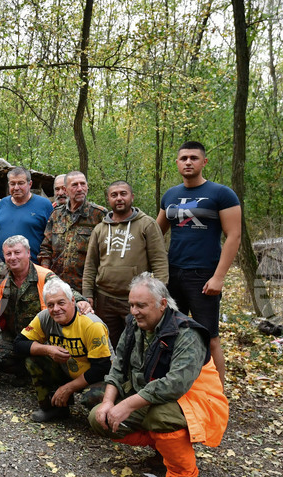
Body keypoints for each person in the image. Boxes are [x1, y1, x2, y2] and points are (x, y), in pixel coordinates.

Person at [88, 273, 228, 477]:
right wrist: (109, 402)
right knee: (98, 418)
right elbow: (119, 364)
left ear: (162, 304)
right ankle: (166, 451)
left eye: (141, 305)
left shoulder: (187, 333)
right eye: (132, 305)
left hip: (197, 401)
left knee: (160, 417)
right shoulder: (135, 325)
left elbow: (176, 384)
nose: (135, 311)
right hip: (155, 397)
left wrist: (127, 404)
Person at [156, 141, 241, 383]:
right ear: (177, 163)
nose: (188, 162)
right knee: (171, 332)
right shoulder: (170, 195)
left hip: (204, 275)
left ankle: (218, 396)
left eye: (194, 158)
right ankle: (176, 386)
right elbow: (154, 233)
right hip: (173, 274)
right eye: (183, 158)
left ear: (203, 162)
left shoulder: (221, 194)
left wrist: (219, 277)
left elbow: (234, 236)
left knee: (208, 336)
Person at [83, 180, 169, 347]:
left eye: (123, 194)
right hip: (104, 297)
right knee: (108, 345)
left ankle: (136, 374)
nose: (119, 198)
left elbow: (159, 262)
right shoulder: (100, 229)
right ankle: (112, 374)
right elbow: (91, 264)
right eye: (114, 195)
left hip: (136, 299)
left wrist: (159, 294)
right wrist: (88, 293)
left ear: (132, 197)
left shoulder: (147, 224)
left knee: (137, 345)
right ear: (108, 199)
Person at [0, 235, 90, 376]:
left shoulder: (44, 276)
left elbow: (64, 289)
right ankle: (24, 371)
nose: (13, 257)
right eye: (8, 254)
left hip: (41, 338)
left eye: (17, 253)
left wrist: (81, 300)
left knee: (43, 358)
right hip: (13, 336)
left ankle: (32, 369)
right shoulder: (0, 271)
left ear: (28, 253)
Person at [15, 279, 111, 422]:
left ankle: (111, 414)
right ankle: (55, 408)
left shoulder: (91, 324)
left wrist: (68, 388)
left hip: (99, 377)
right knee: (34, 359)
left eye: (61, 303)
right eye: (50, 305)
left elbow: (102, 367)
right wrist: (47, 349)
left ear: (72, 301)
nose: (56, 309)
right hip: (67, 370)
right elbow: (18, 344)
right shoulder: (45, 317)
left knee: (92, 398)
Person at [38, 170, 107, 289]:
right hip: (57, 284)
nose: (80, 188)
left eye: (83, 184)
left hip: (86, 286)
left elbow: (106, 254)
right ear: (66, 190)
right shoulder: (56, 215)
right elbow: (46, 249)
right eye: (75, 185)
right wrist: (46, 276)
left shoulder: (99, 215)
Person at [0, 166, 54, 263]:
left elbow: (51, 240)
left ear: (30, 184)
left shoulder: (44, 205)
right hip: (3, 268)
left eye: (21, 183)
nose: (16, 188)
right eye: (12, 184)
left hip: (33, 268)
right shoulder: (2, 204)